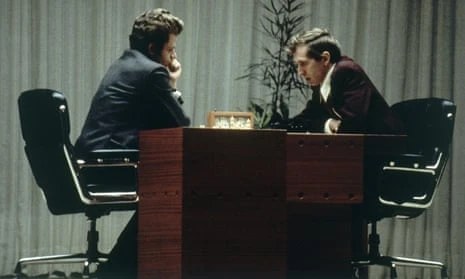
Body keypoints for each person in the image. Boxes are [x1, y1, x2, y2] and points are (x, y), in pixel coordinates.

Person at [74, 8, 190, 278]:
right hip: (112, 166)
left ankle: (119, 267)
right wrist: (172, 83)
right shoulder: (151, 72)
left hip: (92, 162)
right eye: (171, 49)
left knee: (169, 191)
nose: (173, 56)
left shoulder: (125, 64)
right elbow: (180, 124)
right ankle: (119, 269)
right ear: (153, 47)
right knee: (177, 193)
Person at [286, 28, 404, 135]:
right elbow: (308, 119)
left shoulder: (346, 71)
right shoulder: (322, 80)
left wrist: (324, 123)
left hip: (386, 148)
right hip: (361, 148)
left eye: (303, 64)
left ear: (325, 59)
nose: (300, 72)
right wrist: (329, 123)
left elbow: (352, 126)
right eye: (297, 65)